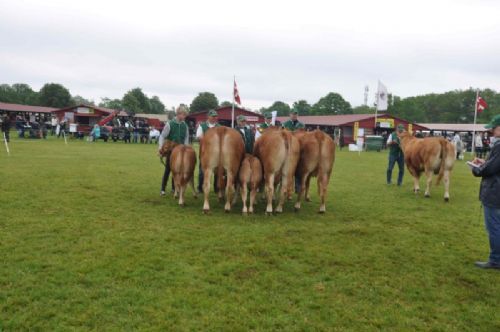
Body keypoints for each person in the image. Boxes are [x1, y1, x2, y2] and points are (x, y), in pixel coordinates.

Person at [471, 114, 500, 270]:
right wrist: (485, 162)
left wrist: (476, 169)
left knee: (494, 227)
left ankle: (495, 260)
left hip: (495, 191)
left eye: (494, 128)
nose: (492, 132)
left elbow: (490, 169)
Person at [158, 106, 190, 196]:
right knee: (168, 169)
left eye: (185, 115)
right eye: (183, 115)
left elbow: (186, 139)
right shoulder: (170, 124)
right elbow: (162, 136)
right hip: (171, 151)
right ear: (179, 114)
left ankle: (173, 188)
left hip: (181, 151)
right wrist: (160, 147)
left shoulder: (185, 126)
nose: (184, 117)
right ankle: (163, 189)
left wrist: (186, 149)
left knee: (178, 170)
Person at [195, 110, 220, 193]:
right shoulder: (202, 126)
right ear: (208, 117)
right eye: (213, 116)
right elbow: (198, 137)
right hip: (204, 152)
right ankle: (200, 187)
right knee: (202, 171)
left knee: (217, 171)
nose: (214, 118)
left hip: (216, 153)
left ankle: (217, 188)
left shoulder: (219, 126)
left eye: (215, 116)